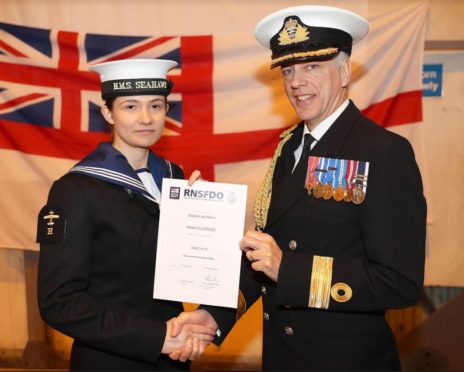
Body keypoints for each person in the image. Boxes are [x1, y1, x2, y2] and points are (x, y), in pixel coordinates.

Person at [172, 5, 427, 370]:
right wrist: (214, 317)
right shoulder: (289, 147)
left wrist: (290, 270)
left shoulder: (382, 152)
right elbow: (264, 257)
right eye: (288, 69)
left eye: (312, 67)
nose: (295, 82)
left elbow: (399, 282)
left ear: (343, 71)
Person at [36, 58, 216, 371]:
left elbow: (184, 272)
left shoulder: (176, 178)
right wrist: (156, 337)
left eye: (156, 106)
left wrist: (204, 217)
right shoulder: (76, 190)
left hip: (174, 359)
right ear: (108, 112)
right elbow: (59, 302)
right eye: (130, 106)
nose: (146, 118)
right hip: (110, 359)